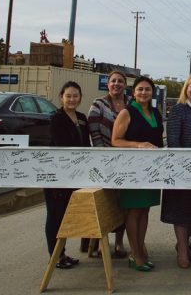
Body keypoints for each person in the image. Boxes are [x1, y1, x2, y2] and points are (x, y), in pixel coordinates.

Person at [112, 76, 163, 272]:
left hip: (151, 171)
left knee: (144, 210)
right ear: (133, 92)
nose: (144, 93)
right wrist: (138, 145)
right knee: (133, 210)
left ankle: (140, 249)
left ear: (152, 93)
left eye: (147, 90)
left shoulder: (156, 113)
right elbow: (116, 140)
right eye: (140, 89)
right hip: (132, 170)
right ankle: (135, 254)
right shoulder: (127, 112)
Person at [160, 74, 191, 268]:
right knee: (180, 211)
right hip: (181, 170)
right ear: (186, 89)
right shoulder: (179, 110)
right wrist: (184, 167)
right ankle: (181, 249)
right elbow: (173, 141)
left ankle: (185, 247)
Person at [43, 81, 91, 269]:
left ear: (80, 97)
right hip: (58, 175)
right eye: (68, 96)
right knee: (55, 216)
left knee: (68, 216)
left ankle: (62, 253)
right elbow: (62, 144)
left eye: (75, 96)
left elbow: (86, 145)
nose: (72, 99)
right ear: (61, 97)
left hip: (77, 175)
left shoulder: (81, 117)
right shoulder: (56, 118)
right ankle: (55, 256)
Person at [86, 70, 129, 258]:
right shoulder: (98, 105)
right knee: (102, 203)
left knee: (122, 204)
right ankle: (96, 243)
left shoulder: (130, 105)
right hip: (103, 161)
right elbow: (94, 132)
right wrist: (103, 156)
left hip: (125, 162)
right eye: (113, 81)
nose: (116, 84)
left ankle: (119, 243)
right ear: (108, 84)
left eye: (120, 81)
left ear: (125, 85)